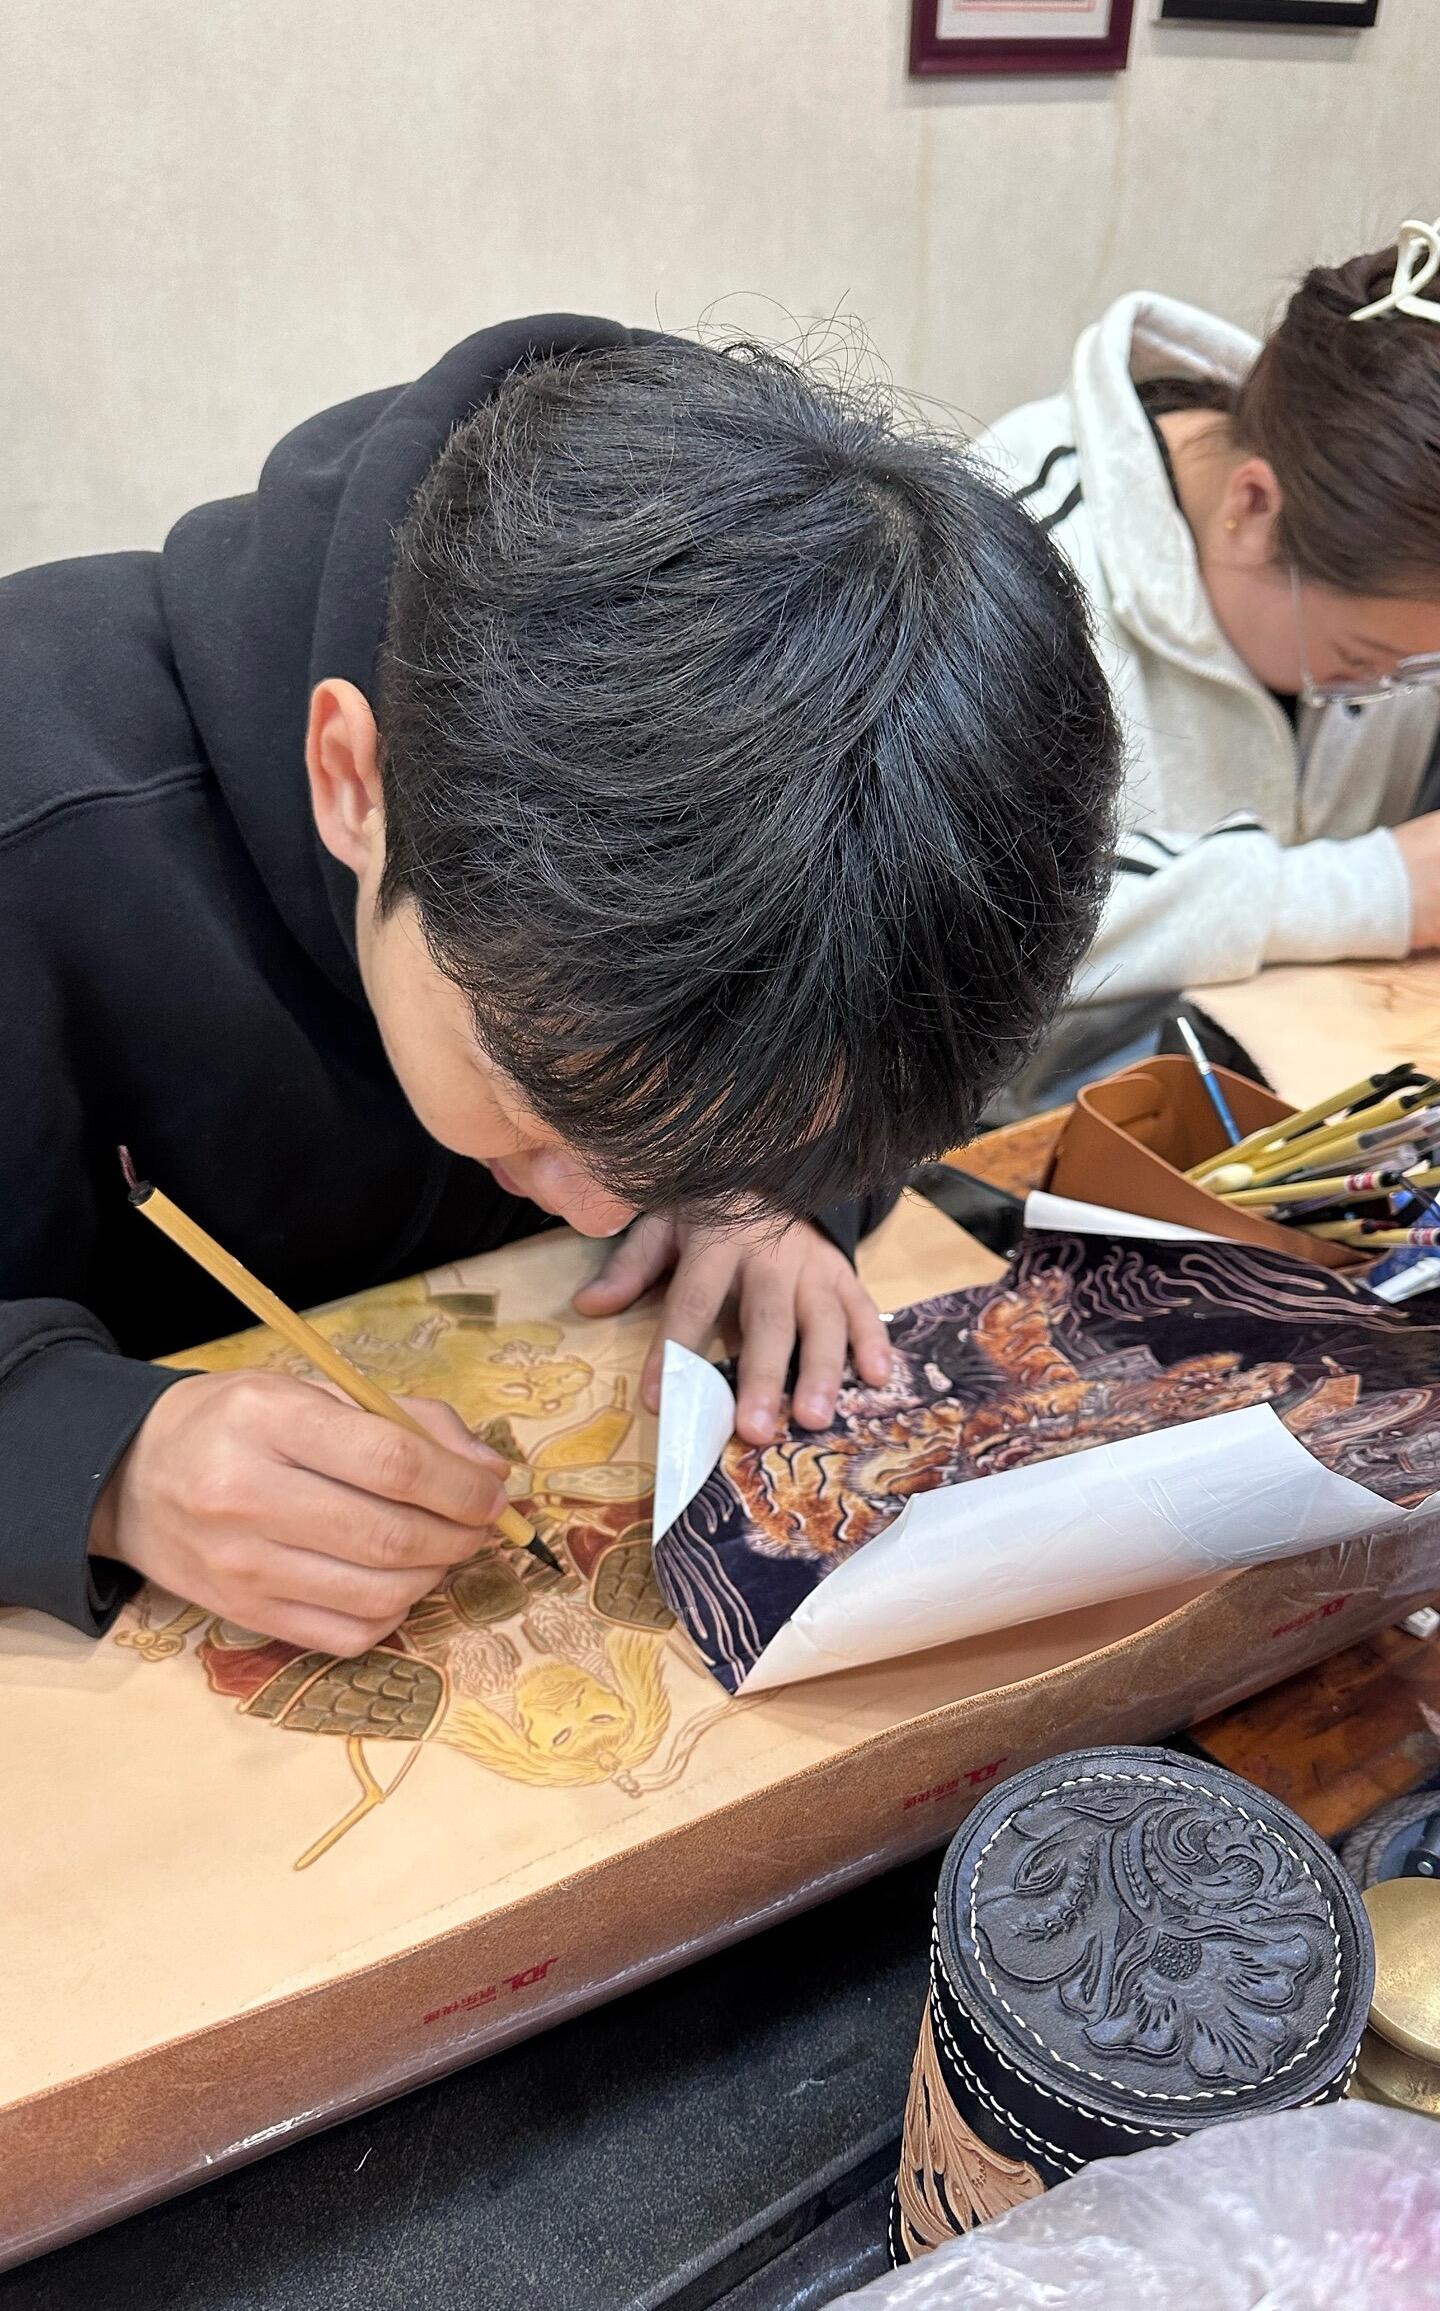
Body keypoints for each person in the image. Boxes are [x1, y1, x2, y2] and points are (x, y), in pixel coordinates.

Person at [0, 316, 1120, 1654]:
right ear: (355, 784)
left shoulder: (824, 813)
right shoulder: (37, 821)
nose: (602, 1203)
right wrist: (99, 1461)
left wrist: (771, 1184)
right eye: (537, 1098)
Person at [982, 222, 1440, 1114]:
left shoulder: (1398, 550)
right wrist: (1372, 890)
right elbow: (971, 928)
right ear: (1253, 504)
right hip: (989, 1136)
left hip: (1277, 1092)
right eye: (1361, 661)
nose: (1383, 695)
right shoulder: (1012, 557)